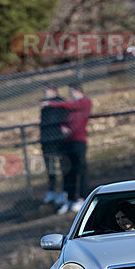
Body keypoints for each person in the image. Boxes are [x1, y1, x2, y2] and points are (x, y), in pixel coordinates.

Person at [49, 82, 91, 214]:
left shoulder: (85, 102)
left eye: (71, 92)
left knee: (81, 169)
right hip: (68, 142)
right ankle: (70, 199)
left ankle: (83, 197)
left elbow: (72, 105)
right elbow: (65, 118)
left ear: (77, 91)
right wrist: (63, 126)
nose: (70, 95)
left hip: (79, 141)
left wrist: (52, 103)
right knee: (69, 171)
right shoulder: (71, 108)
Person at [39, 83, 68, 205]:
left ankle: (65, 191)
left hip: (59, 140)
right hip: (46, 140)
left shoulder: (61, 102)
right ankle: (52, 190)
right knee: (50, 166)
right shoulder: (44, 104)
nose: (45, 92)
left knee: (64, 165)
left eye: (47, 90)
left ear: (54, 90)